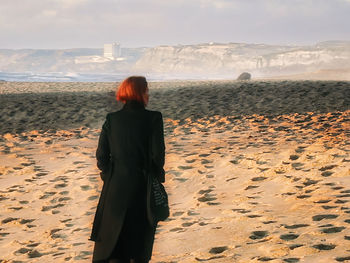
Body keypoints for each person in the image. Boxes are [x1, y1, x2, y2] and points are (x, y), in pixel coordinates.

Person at [90, 76, 165, 263]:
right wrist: (155, 176)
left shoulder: (112, 119)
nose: (148, 93)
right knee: (139, 241)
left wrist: (109, 176)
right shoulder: (153, 118)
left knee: (113, 240)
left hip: (115, 187)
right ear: (140, 93)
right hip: (142, 185)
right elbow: (158, 155)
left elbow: (101, 156)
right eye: (146, 90)